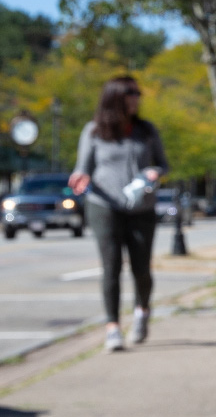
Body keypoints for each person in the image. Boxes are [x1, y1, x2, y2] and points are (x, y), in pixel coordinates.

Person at [68, 76, 169, 353]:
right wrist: (80, 178)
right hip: (104, 206)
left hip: (141, 208)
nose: (137, 98)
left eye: (138, 93)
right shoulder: (93, 131)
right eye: (131, 93)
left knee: (141, 269)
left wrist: (154, 173)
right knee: (111, 267)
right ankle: (112, 327)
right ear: (115, 97)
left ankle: (142, 311)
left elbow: (163, 164)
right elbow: (83, 168)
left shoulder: (146, 131)